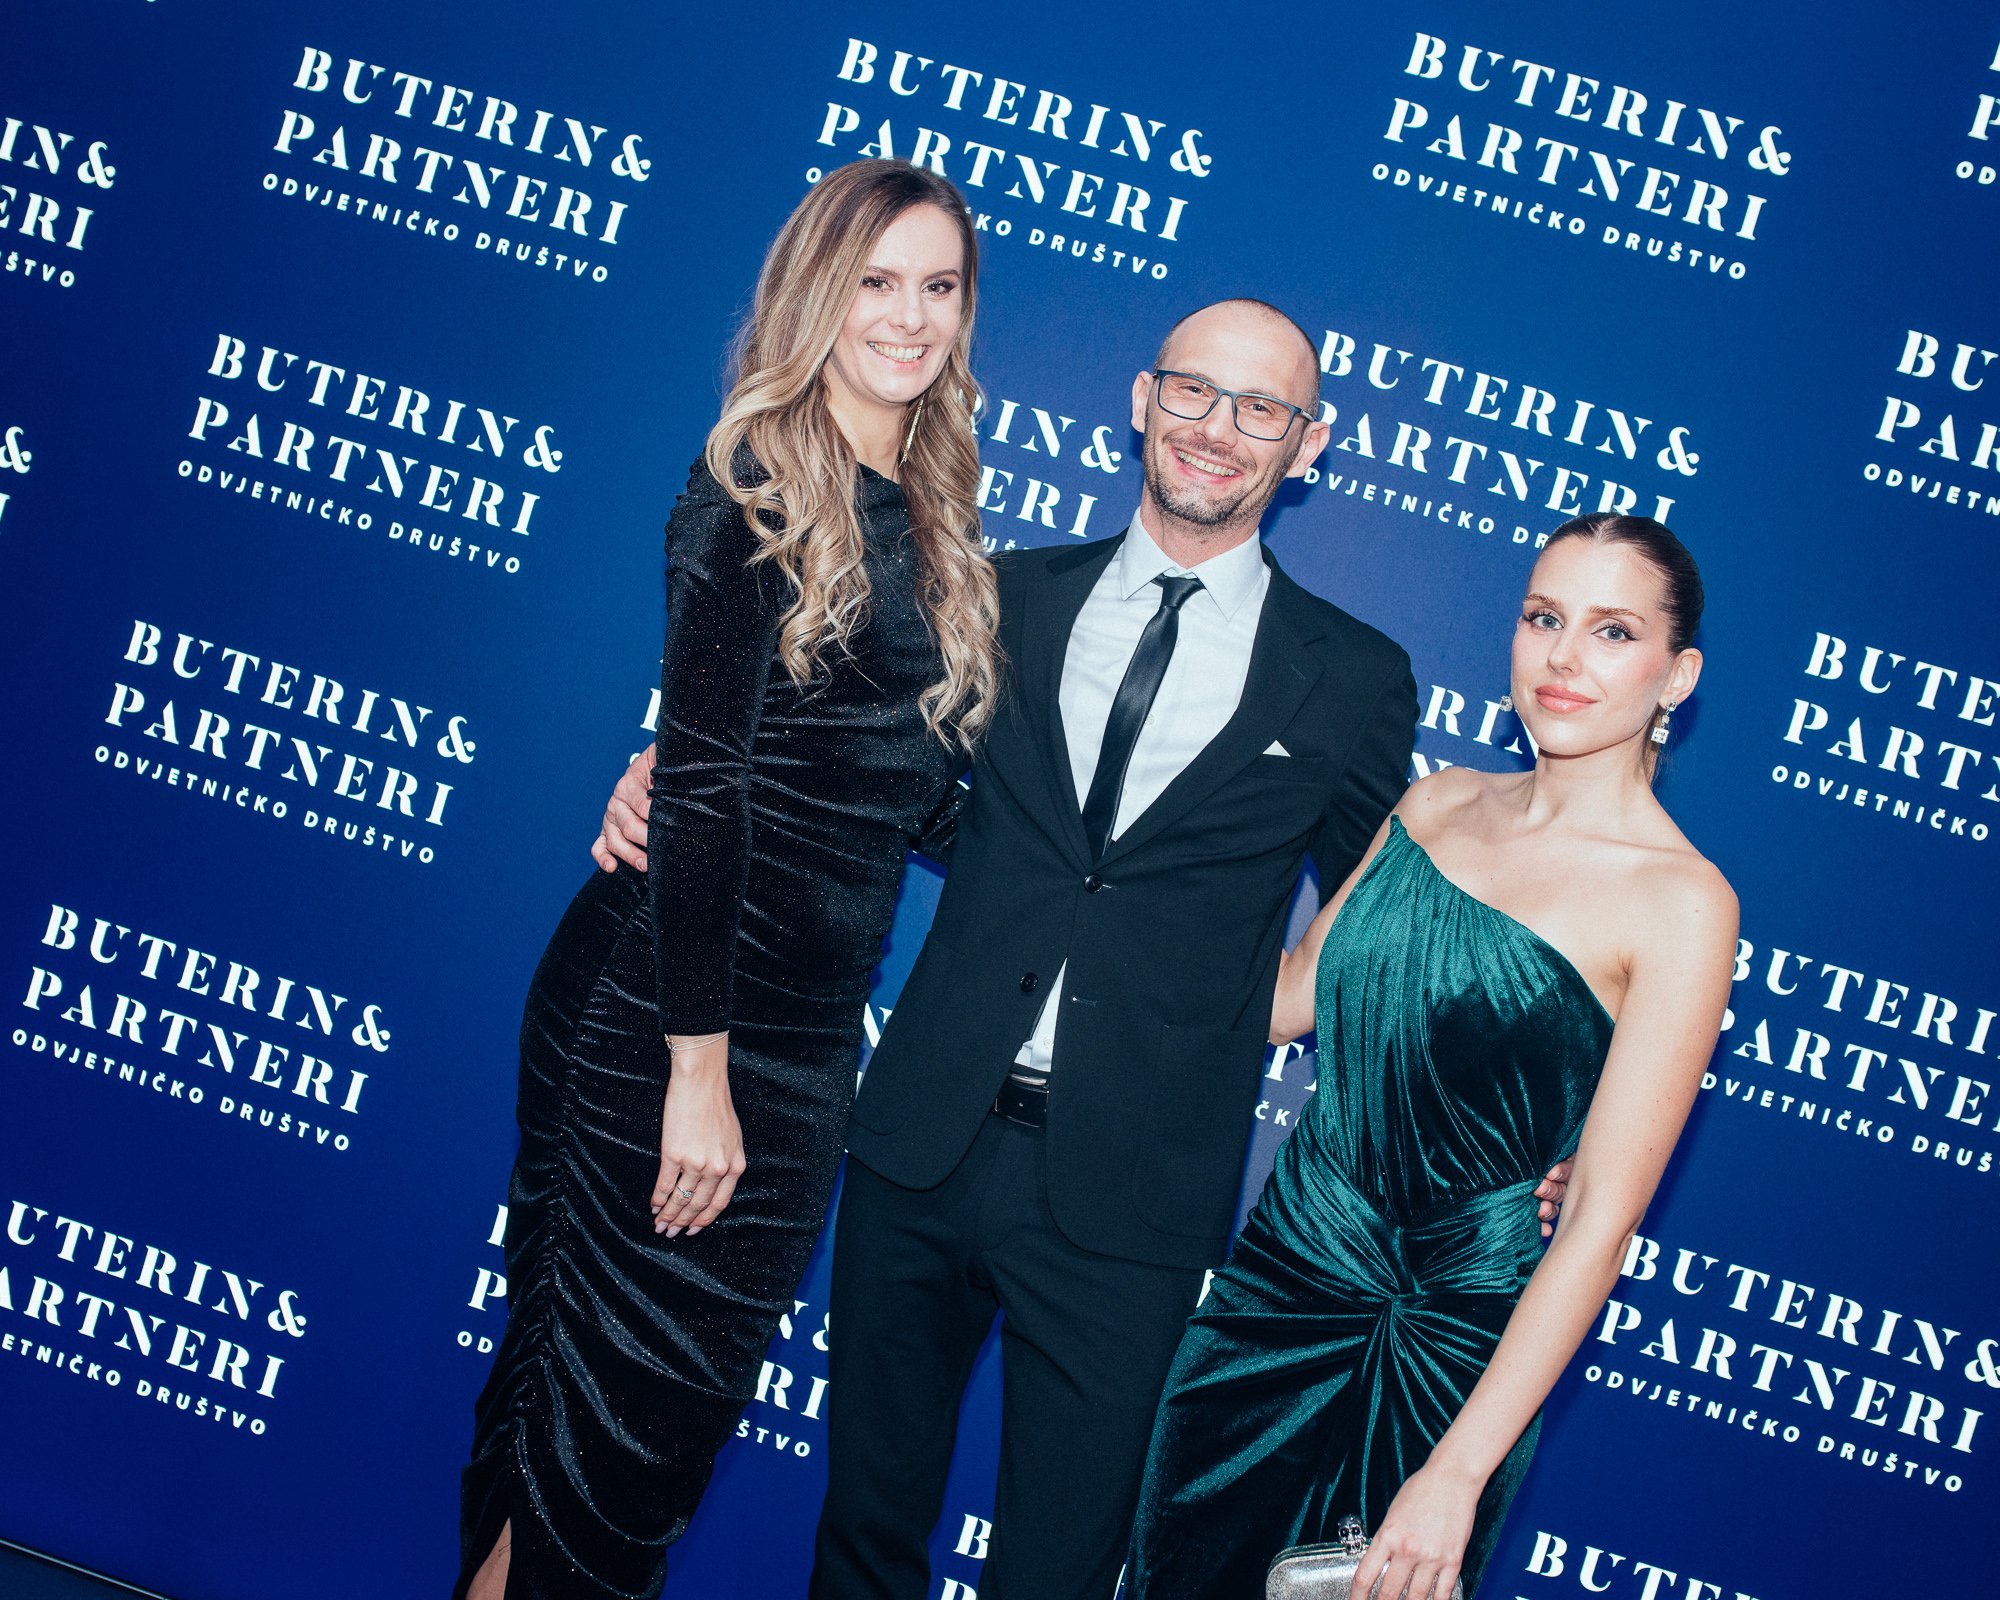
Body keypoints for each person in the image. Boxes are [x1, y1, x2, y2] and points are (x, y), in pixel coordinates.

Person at [601, 299, 1564, 1597]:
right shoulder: (995, 598)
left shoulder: (1353, 677)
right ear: (1139, 401)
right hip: (920, 1146)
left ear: (1310, 444)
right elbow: (859, 786)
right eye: (1194, 392)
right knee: (861, 1542)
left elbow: (1390, 932)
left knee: (1057, 1574)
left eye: (1261, 409)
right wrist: (674, 774)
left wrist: (1519, 1138)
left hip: (1138, 1196)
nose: (1219, 431)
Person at [455, 159, 1000, 1600]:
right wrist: (698, 1072)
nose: (910, 318)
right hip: (666, 1019)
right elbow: (699, 781)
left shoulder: (938, 508)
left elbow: (897, 796)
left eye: (939, 287)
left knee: (629, 1458)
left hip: (806, 1046)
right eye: (878, 282)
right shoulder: (756, 477)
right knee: (592, 1446)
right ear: (818, 292)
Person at [1125, 514, 1735, 1600]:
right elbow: (1283, 1001)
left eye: (1609, 632)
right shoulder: (1436, 799)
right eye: (1543, 617)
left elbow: (1595, 1223)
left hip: (1449, 1359)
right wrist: (1099, 885)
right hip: (1272, 1296)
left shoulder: (1681, 902)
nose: (1559, 656)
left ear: (1675, 674)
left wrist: (1456, 1471)